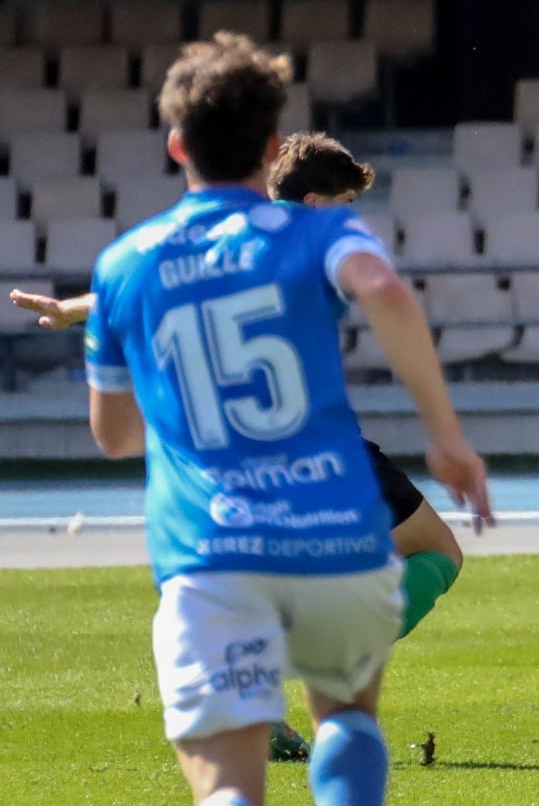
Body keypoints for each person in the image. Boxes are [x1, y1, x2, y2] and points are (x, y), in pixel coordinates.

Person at [81, 32, 492, 806]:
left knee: (228, 787)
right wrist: (445, 434)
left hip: (209, 545)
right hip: (332, 526)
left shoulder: (125, 264)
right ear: (272, 145)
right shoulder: (319, 233)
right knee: (344, 725)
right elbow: (386, 290)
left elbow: (114, 437)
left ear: (176, 144)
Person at [12, 131, 468, 762]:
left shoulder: (215, 244)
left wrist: (74, 309)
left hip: (227, 457)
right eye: (340, 205)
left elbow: (143, 291)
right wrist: (446, 430)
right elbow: (387, 296)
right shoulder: (312, 246)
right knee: (438, 553)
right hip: (320, 448)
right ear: (312, 203)